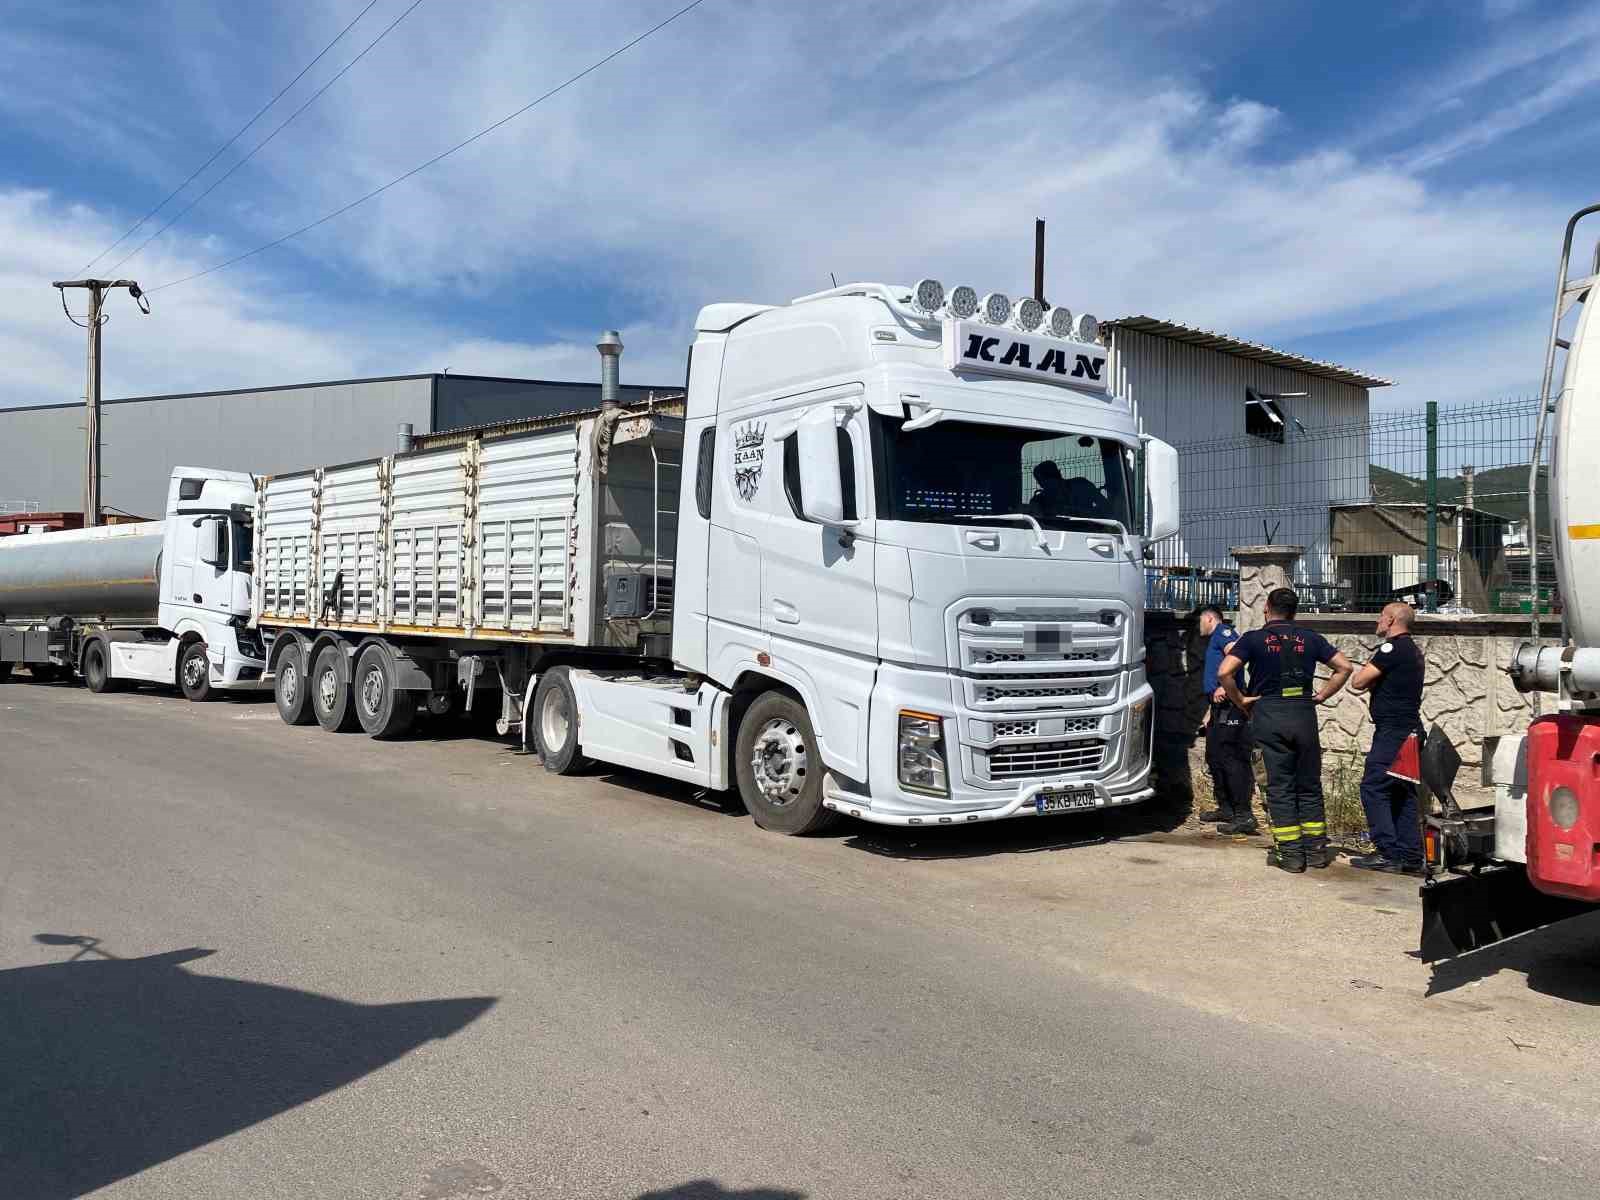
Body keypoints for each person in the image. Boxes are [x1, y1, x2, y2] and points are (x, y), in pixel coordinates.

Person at [1218, 587, 1355, 873]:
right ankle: (1316, 852)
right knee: (1308, 784)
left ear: (1267, 608)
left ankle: (1290, 854)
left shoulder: (1254, 639)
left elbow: (1224, 672)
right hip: (1303, 714)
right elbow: (1344, 667)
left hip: (1269, 715)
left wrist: (1241, 700)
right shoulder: (1310, 638)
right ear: (1294, 611)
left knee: (1279, 787)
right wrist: (1321, 696)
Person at [1346, 602, 1426, 875]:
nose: (1377, 622)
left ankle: (1387, 853)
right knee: (1401, 792)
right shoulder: (1412, 650)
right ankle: (1411, 855)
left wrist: (1370, 677)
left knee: (1373, 787)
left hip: (1394, 733)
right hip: (1409, 730)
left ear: (1391, 620)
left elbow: (1358, 681)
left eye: (1381, 617)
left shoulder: (1391, 649)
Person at [1195, 604, 1256, 834]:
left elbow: (1237, 657)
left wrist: (1224, 685)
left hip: (1231, 706)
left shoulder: (1224, 633)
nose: (1198, 625)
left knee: (1232, 759)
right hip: (1218, 707)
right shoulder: (1213, 640)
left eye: (1200, 620)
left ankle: (1244, 816)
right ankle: (1226, 809)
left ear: (1210, 618)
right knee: (1215, 756)